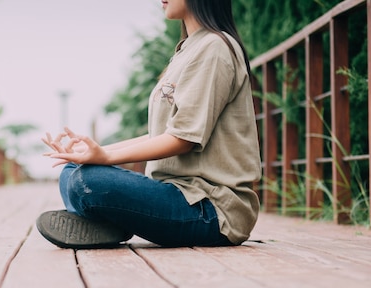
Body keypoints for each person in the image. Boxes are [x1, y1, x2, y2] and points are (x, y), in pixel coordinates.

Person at [36, 0, 261, 249]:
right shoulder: (188, 49)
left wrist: (105, 159)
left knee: (85, 182)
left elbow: (183, 139)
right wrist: (95, 153)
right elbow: (162, 134)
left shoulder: (214, 48)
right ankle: (109, 222)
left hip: (211, 210)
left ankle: (109, 222)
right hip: (177, 194)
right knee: (72, 169)